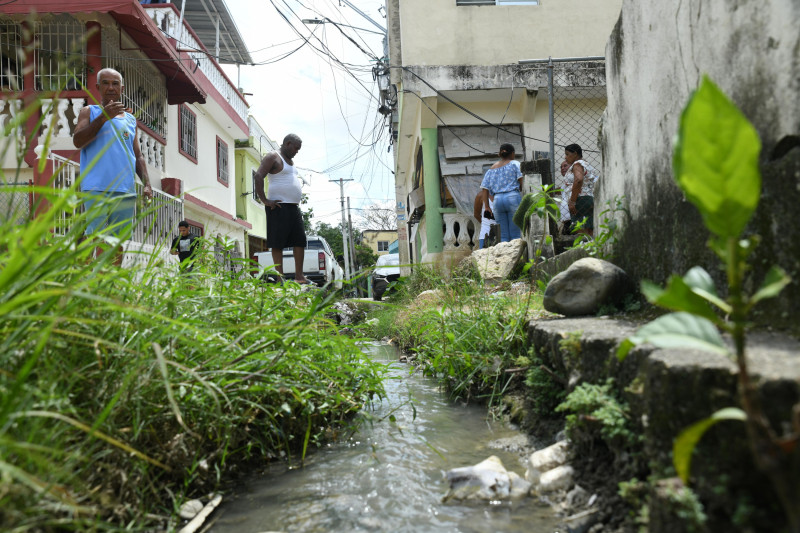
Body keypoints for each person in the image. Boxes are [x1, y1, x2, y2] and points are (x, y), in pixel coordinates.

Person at [72, 68, 152, 265]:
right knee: (93, 237)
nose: (110, 87)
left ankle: (109, 287)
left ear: (121, 88)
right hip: (96, 187)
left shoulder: (130, 120)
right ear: (98, 87)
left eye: (115, 84)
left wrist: (147, 184)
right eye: (105, 83)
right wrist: (103, 117)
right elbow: (78, 141)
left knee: (117, 242)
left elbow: (138, 156)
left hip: (125, 190)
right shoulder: (89, 112)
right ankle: (84, 284)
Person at [252, 134, 309, 284]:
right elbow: (258, 176)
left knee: (300, 240)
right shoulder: (273, 156)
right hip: (278, 206)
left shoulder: (291, 162)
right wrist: (265, 200)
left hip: (293, 207)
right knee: (277, 243)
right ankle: (280, 278)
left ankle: (299, 277)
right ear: (288, 143)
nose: (297, 151)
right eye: (296, 148)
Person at [474, 143, 523, 242]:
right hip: (512, 197)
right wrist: (520, 188)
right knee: (515, 233)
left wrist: (487, 207)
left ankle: (505, 255)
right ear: (512, 153)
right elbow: (521, 179)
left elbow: (484, 188)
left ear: (499, 154)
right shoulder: (515, 164)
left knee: (503, 234)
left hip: (497, 200)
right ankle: (516, 256)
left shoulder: (491, 169)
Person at [563, 144, 600, 236]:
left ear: (575, 153)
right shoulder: (586, 164)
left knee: (580, 230)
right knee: (589, 229)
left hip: (579, 200)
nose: (565, 157)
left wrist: (572, 201)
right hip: (588, 199)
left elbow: (579, 180)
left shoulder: (577, 164)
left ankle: (583, 249)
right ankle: (591, 249)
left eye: (567, 154)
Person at [557, 160, 572, 234]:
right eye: (561, 167)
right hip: (566, 221)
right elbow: (557, 190)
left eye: (565, 166)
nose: (562, 168)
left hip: (574, 219)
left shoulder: (576, 181)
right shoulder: (564, 185)